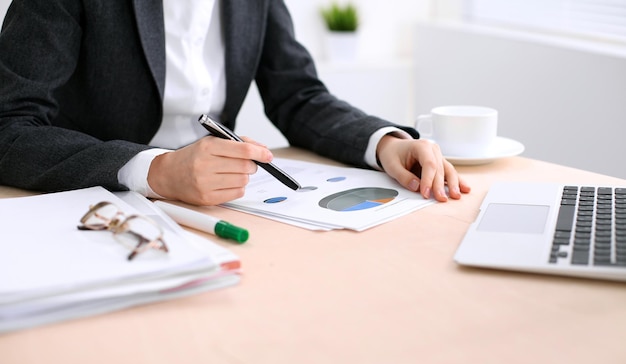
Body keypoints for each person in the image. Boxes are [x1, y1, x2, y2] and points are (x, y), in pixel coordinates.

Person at [0, 0, 470, 207]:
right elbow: (9, 124)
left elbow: (298, 95)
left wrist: (384, 142)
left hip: (225, 206)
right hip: (96, 200)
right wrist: (156, 170)